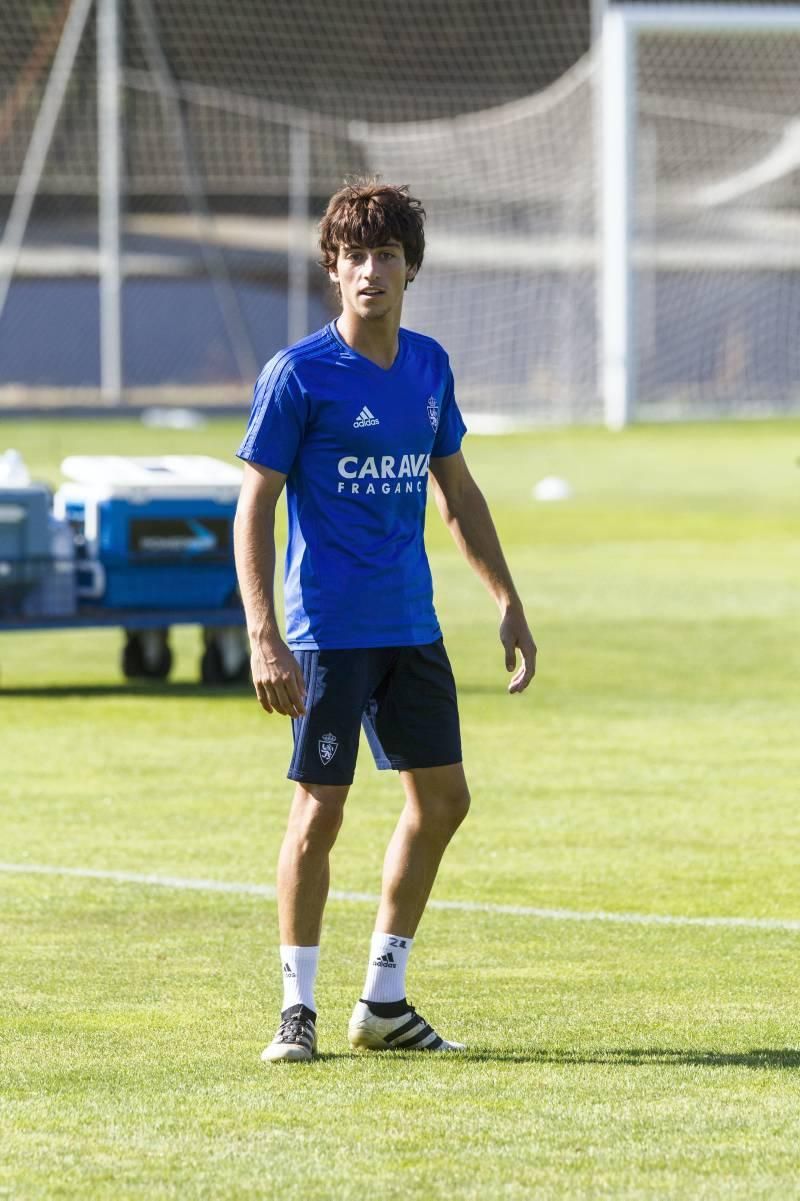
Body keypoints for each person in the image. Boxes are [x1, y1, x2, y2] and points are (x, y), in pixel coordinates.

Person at [234, 179, 536, 1062]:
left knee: (444, 801)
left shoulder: (430, 365)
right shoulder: (299, 374)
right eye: (355, 256)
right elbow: (253, 505)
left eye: (388, 256)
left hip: (412, 624)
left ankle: (386, 999)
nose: (372, 271)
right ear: (334, 271)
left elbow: (459, 492)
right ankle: (297, 1010)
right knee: (320, 812)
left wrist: (506, 598)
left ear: (411, 269)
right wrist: (263, 631)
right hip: (328, 629)